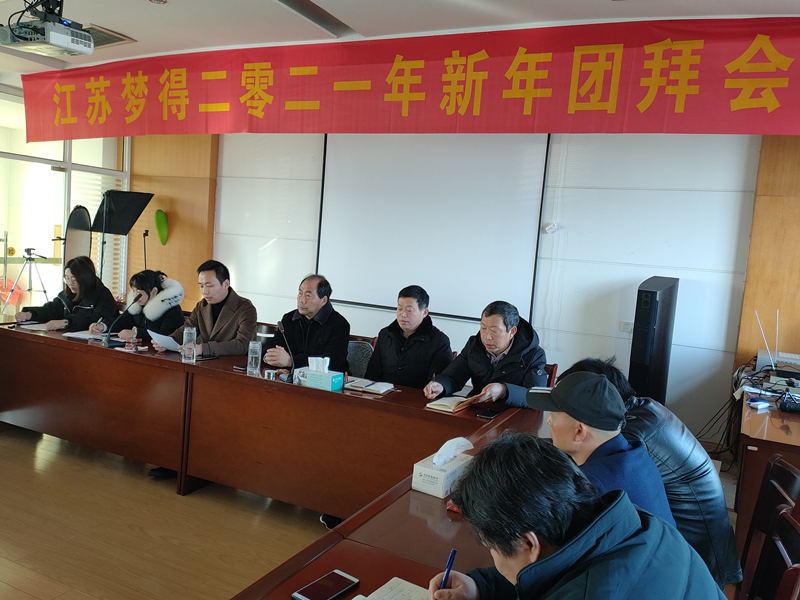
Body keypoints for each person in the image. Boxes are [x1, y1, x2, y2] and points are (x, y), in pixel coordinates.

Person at [428, 433, 724, 600]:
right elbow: (549, 571)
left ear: (530, 544)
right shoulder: (639, 524)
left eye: (492, 548)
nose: (492, 556)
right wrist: (480, 587)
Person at [556, 357, 742, 588]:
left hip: (696, 551)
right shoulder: (643, 407)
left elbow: (583, 476)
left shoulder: (631, 436)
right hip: (685, 543)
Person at [526, 371, 676, 526]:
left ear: (579, 432)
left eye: (553, 414)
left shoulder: (590, 488)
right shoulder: (637, 455)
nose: (549, 421)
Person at [423, 301, 546, 407]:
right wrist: (441, 385)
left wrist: (504, 390)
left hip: (512, 416)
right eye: (483, 328)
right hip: (478, 409)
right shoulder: (474, 345)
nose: (487, 337)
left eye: (494, 331)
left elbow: (536, 397)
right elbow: (454, 375)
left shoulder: (534, 354)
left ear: (512, 331)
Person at [152, 260, 256, 357]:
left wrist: (202, 349)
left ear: (226, 284)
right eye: (201, 286)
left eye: (209, 286)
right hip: (206, 363)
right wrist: (167, 342)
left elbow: (242, 344)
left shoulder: (245, 308)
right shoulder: (202, 305)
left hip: (232, 365)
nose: (204, 292)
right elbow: (187, 329)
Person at [364, 285, 452, 388]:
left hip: (418, 396)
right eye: (400, 308)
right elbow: (372, 374)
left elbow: (437, 383)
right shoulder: (386, 334)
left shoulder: (439, 341)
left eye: (409, 310)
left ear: (424, 312)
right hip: (383, 393)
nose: (403, 314)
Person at [263, 274, 350, 373]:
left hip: (326, 380)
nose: (302, 300)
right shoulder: (289, 318)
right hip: (290, 377)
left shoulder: (339, 325)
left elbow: (331, 363)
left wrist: (291, 361)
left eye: (308, 295)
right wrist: (270, 356)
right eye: (300, 293)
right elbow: (271, 346)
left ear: (323, 300)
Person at [16, 255, 118, 331]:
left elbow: (96, 318)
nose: (70, 283)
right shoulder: (68, 294)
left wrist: (66, 322)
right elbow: (52, 309)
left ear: (85, 278)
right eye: (67, 279)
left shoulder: (102, 295)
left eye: (74, 279)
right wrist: (30, 314)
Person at [88, 270, 185, 344]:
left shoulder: (171, 308)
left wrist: (136, 333)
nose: (135, 296)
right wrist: (103, 326)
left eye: (139, 292)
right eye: (133, 290)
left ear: (154, 291)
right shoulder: (138, 304)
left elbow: (166, 334)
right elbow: (122, 321)